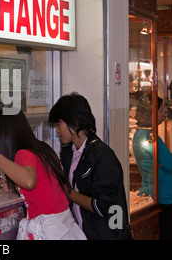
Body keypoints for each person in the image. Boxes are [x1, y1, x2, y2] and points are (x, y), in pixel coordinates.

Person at [0, 109, 86, 240]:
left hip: (48, 229)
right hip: (65, 226)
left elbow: (29, 181)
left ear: (5, 134)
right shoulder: (43, 149)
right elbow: (43, 187)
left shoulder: (23, 153)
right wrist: (15, 186)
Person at [48, 92, 131, 240]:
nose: (57, 131)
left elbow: (103, 206)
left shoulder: (102, 155)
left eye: (59, 124)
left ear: (74, 121)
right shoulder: (69, 151)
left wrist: (69, 193)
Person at [133, 96, 172, 240]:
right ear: (150, 113)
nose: (165, 113)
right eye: (161, 110)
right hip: (163, 197)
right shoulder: (149, 136)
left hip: (158, 194)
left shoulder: (142, 134)